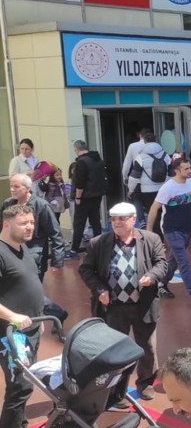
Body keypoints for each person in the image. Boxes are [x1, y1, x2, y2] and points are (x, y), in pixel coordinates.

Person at [78, 202, 168, 403]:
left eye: (122, 218)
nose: (117, 222)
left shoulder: (151, 239)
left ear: (133, 219)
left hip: (143, 305)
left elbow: (162, 263)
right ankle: (116, 391)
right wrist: (100, 289)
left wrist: (151, 277)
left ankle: (145, 383)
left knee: (147, 348)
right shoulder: (98, 243)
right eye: (113, 219)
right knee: (115, 351)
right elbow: (86, 270)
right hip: (115, 307)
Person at [147, 158, 191, 309]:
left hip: (185, 230)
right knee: (183, 261)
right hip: (171, 230)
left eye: (190, 168)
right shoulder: (168, 188)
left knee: (174, 260)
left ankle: (161, 283)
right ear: (176, 171)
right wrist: (149, 231)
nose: (190, 171)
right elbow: (154, 208)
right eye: (186, 169)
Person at [0, 205, 43, 428]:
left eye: (31, 223)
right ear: (6, 224)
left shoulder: (23, 248)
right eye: (23, 223)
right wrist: (12, 316)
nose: (30, 228)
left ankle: (19, 422)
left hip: (32, 328)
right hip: (9, 334)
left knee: (26, 380)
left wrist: (40, 317)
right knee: (20, 384)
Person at [2, 174, 66, 280]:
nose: (12, 189)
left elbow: (56, 234)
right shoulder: (8, 204)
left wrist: (57, 262)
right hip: (11, 255)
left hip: (34, 254)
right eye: (11, 186)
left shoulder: (41, 206)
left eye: (16, 187)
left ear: (27, 188)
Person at [126, 133, 172, 234]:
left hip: (147, 191)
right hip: (163, 189)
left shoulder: (141, 157)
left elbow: (134, 177)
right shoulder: (165, 155)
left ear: (145, 142)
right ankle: (163, 235)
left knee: (152, 212)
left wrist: (131, 190)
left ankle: (157, 238)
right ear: (156, 141)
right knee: (162, 213)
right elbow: (171, 174)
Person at [70, 140, 107, 256]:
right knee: (95, 221)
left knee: (79, 223)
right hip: (97, 195)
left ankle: (74, 250)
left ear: (76, 149)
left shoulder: (81, 162)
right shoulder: (98, 160)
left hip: (85, 197)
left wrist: (78, 197)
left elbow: (80, 182)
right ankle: (98, 246)